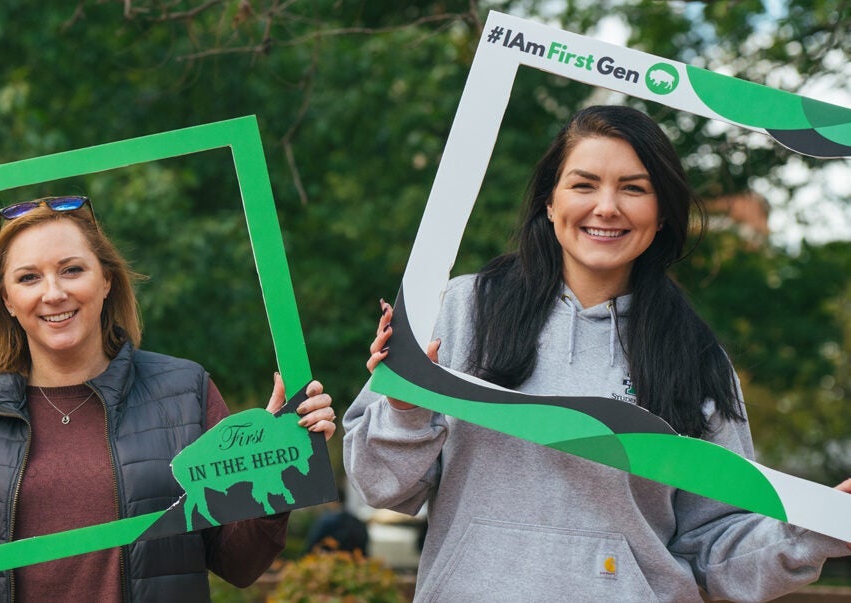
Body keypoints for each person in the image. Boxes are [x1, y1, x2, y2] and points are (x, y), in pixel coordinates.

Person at [343, 105, 851, 601]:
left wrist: (821, 528)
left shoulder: (695, 359)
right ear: (549, 202)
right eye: (584, 185)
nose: (606, 207)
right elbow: (382, 487)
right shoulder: (461, 308)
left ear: (662, 214)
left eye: (633, 188)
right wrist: (406, 409)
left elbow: (715, 544)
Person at [0, 195, 336, 601]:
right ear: (9, 301)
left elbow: (238, 565)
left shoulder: (184, 391)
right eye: (29, 278)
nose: (53, 292)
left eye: (72, 269)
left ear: (106, 281)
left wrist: (276, 460)